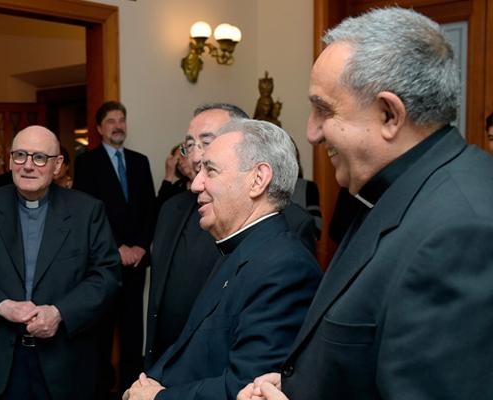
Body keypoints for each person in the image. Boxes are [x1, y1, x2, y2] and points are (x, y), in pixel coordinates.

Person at [239, 8, 493, 400]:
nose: (311, 132)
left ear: (390, 114)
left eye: (324, 109)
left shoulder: (462, 233)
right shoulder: (395, 187)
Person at [124, 119, 322, 400]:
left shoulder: (285, 268)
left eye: (210, 170)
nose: (195, 184)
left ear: (257, 179)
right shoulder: (238, 249)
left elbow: (248, 387)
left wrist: (157, 397)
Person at [0, 125, 121, 400]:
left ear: (57, 165)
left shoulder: (87, 211)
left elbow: (107, 276)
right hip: (2, 363)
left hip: (66, 363)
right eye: (20, 156)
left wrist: (60, 312)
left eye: (39, 157)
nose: (28, 166)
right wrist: (2, 305)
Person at [145, 103, 248, 369]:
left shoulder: (260, 215)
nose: (195, 156)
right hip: (164, 366)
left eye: (206, 142)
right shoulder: (171, 209)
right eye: (189, 145)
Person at [73, 101, 157, 393]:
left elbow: (151, 210)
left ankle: (134, 391)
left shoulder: (140, 161)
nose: (118, 125)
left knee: (134, 334)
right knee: (102, 334)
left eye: (122, 120)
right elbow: (87, 213)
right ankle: (102, 390)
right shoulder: (86, 163)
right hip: (105, 264)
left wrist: (141, 247)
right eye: (111, 121)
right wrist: (116, 247)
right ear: (99, 128)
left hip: (136, 263)